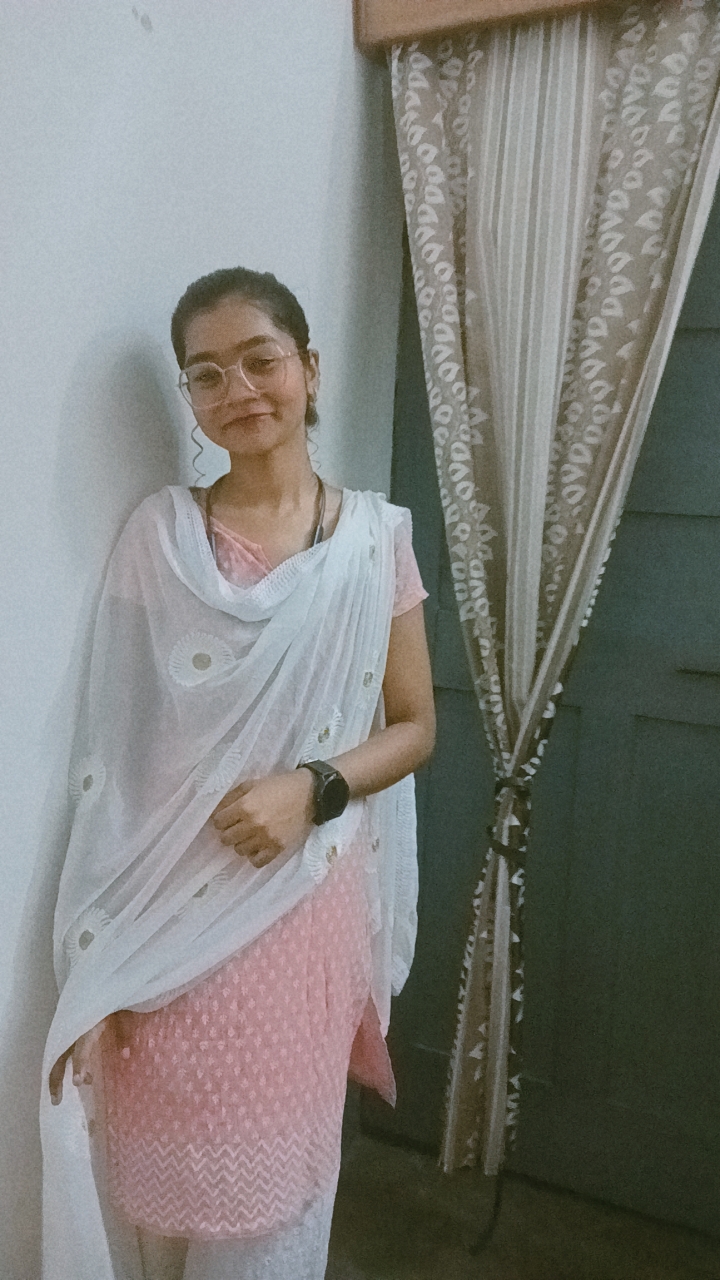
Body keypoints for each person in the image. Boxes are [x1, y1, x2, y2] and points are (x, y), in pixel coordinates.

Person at [42, 267, 435, 1280]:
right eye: (207, 374)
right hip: (174, 895)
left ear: (310, 367)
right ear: (188, 396)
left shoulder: (374, 540)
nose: (239, 390)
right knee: (163, 1165)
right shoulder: (162, 537)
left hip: (300, 902)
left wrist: (314, 787)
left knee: (272, 1188)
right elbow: (121, 753)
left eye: (261, 360)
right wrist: (110, 947)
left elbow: (415, 726)